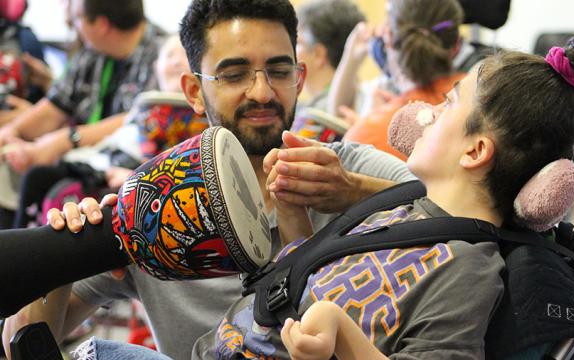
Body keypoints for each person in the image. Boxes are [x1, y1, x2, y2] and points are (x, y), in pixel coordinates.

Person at [1, 1, 414, 359]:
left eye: (278, 70)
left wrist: (356, 191)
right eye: (234, 75)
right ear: (194, 92)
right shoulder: (155, 205)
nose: (262, 92)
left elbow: (467, 214)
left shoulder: (350, 168)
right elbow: (25, 340)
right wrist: (66, 257)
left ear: (299, 79)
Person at [190, 22, 574, 359]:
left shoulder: (468, 272)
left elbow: (330, 313)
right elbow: (306, 284)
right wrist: (291, 206)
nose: (423, 115)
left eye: (447, 105)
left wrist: (340, 330)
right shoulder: (400, 208)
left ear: (475, 150)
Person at [0, 0, 164, 205]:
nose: (74, 25)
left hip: (125, 172)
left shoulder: (165, 56)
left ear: (101, 25)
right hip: (81, 159)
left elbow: (137, 119)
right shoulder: (92, 52)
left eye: (77, 18)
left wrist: (66, 139)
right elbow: (55, 106)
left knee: (44, 183)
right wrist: (11, 132)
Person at [335, 0, 466, 160]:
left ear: (388, 37)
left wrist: (372, 124)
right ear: (457, 44)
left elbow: (337, 113)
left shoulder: (364, 139)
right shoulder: (489, 99)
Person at [289, 0, 364, 141]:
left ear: (318, 54)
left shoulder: (319, 118)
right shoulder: (360, 98)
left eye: (298, 43)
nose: (289, 50)